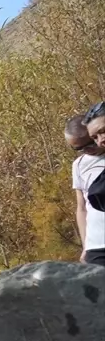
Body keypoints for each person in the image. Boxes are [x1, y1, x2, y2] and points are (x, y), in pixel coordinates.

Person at [66, 114, 105, 266]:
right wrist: (85, 245)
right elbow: (82, 207)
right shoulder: (79, 165)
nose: (87, 150)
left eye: (89, 143)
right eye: (79, 148)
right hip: (96, 245)